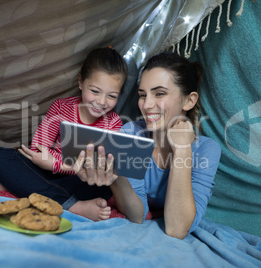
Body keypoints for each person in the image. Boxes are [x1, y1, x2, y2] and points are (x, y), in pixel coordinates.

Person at [62, 51, 221, 238]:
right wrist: (116, 177)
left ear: (189, 100)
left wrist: (183, 149)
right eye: (142, 95)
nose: (146, 105)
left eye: (159, 93)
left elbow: (177, 229)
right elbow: (137, 215)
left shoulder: (206, 149)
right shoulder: (131, 133)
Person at [0, 47, 128, 221]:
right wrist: (53, 164)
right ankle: (74, 206)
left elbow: (99, 169)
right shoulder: (61, 107)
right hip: (46, 173)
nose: (102, 102)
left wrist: (57, 164)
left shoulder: (114, 123)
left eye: (111, 96)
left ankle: (21, 187)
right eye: (95, 91)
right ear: (81, 82)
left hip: (79, 182)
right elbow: (38, 150)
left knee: (102, 187)